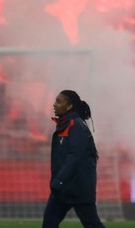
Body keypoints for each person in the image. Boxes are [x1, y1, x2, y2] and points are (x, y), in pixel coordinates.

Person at [42, 90, 106, 228]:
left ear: (69, 106)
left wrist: (58, 180)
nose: (54, 105)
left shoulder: (76, 125)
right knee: (49, 223)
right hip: (63, 188)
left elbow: (75, 156)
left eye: (59, 101)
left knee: (92, 224)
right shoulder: (65, 125)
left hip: (79, 188)